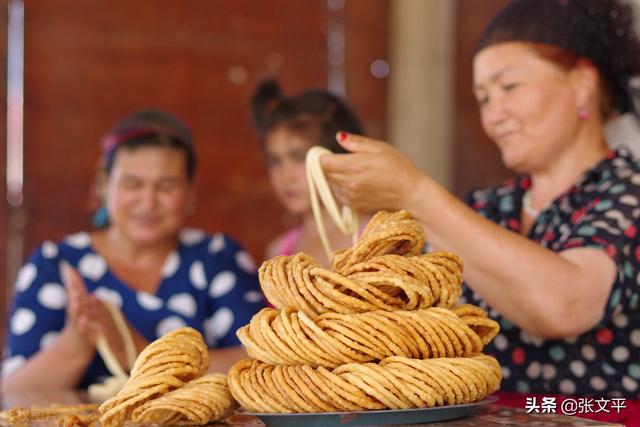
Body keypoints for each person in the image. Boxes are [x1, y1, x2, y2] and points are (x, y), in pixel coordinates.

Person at [320, 0, 640, 423]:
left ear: (581, 83)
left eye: (509, 88)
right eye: (483, 98)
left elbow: (565, 306)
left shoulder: (629, 191)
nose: (494, 115)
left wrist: (415, 192)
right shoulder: (486, 208)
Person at [2, 109, 265, 392]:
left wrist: (137, 353)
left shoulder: (218, 258)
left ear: (190, 192)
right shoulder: (55, 265)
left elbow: (262, 366)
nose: (148, 201)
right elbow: (14, 392)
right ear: (105, 185)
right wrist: (78, 341)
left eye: (166, 186)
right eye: (133, 184)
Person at [250, 79, 370, 265]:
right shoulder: (279, 254)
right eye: (275, 161)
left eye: (300, 157)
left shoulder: (375, 239)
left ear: (338, 155)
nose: (286, 176)